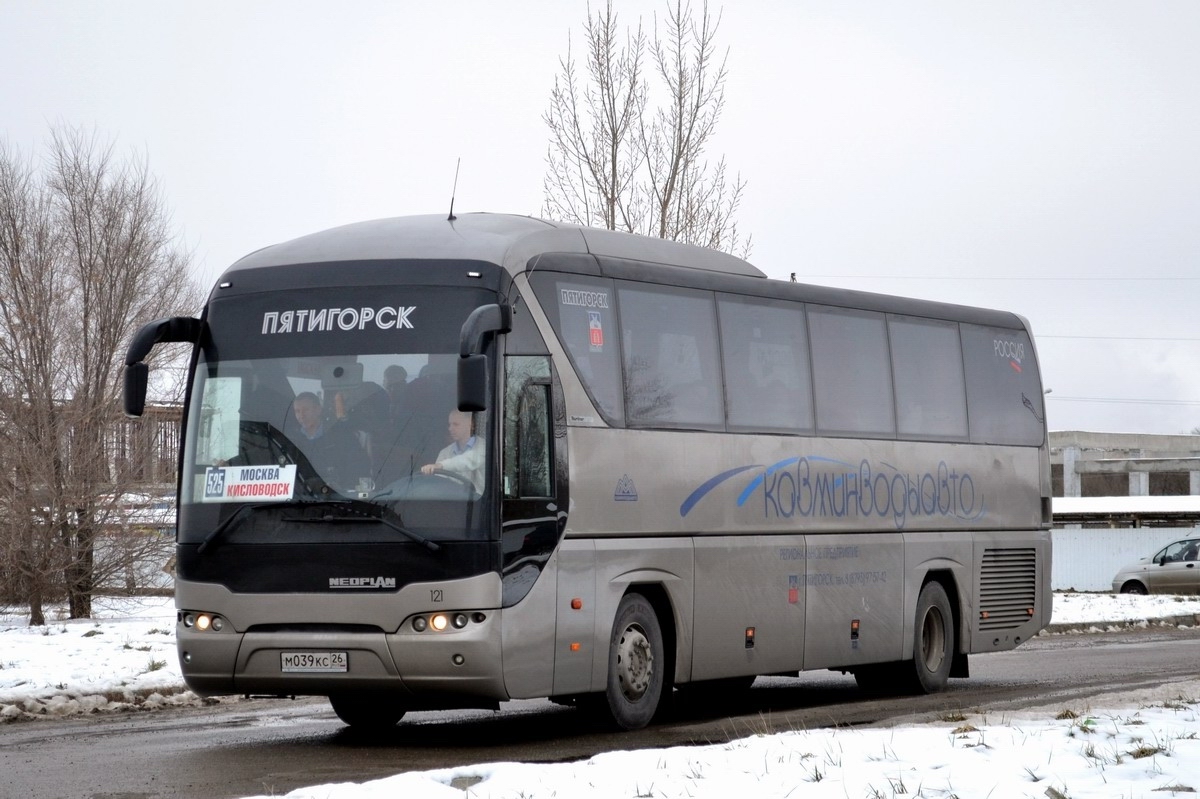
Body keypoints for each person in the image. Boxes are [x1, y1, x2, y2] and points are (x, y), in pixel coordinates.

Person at [291, 391, 371, 490]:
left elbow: (360, 468)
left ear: (318, 410)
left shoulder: (340, 435)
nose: (301, 415)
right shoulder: (291, 440)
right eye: (297, 411)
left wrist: (341, 488)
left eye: (306, 410)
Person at [420, 409, 485, 494]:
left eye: (456, 424)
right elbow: (439, 483)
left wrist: (440, 465)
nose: (450, 428)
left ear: (470, 424)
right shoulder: (444, 453)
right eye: (450, 424)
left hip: (478, 504)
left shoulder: (483, 447)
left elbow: (467, 461)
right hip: (451, 504)